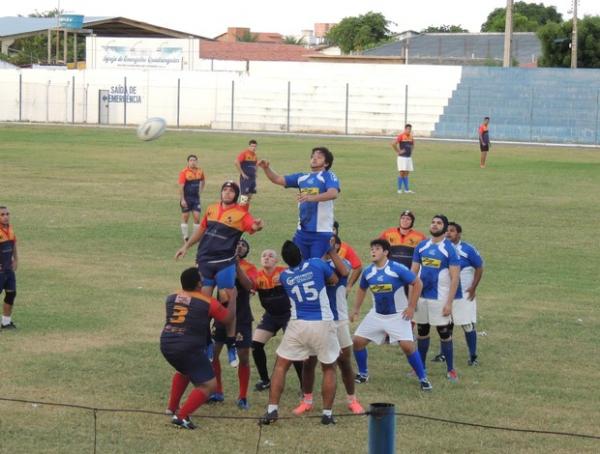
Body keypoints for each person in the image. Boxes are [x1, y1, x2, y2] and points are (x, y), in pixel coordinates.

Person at [175, 181, 263, 368]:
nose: (227, 192)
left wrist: (257, 226)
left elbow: (252, 227)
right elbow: (201, 230)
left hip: (224, 264)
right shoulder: (211, 209)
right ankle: (207, 342)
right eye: (225, 189)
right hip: (205, 263)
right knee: (203, 306)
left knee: (226, 304)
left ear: (236, 195)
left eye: (231, 191)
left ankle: (231, 344)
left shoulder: (242, 214)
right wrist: (186, 246)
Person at [260, 241, 340, 426]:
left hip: (298, 324)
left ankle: (272, 409)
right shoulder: (317, 264)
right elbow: (334, 280)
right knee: (328, 367)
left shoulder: (284, 276)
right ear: (301, 254)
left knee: (281, 366)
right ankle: (327, 414)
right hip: (322, 322)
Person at [294, 236, 365, 416]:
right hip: (315, 319)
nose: (326, 243)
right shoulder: (309, 265)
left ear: (338, 245)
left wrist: (331, 251)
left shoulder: (342, 263)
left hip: (338, 320)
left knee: (344, 362)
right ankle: (307, 400)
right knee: (309, 362)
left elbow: (345, 272)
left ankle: (352, 400)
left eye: (332, 241)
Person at [350, 239, 432, 391]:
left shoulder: (397, 268)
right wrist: (356, 309)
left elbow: (417, 283)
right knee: (357, 342)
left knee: (407, 346)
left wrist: (411, 307)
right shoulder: (368, 271)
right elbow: (362, 289)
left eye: (377, 248)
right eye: (372, 249)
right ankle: (363, 374)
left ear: (386, 252)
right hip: (376, 315)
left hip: (398, 316)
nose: (373, 251)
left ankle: (423, 378)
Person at [160, 267, 236, 430]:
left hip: (167, 343)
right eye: (201, 279)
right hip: (188, 347)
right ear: (198, 284)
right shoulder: (207, 301)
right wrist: (232, 299)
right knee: (208, 385)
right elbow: (228, 319)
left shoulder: (171, 297)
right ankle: (181, 417)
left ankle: (172, 407)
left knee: (184, 370)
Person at [258, 147, 339, 259]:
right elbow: (277, 179)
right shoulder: (302, 177)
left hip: (321, 233)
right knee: (299, 266)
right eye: (312, 157)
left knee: (314, 267)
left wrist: (310, 197)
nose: (314, 159)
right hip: (302, 233)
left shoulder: (328, 176)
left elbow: (333, 193)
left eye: (319, 157)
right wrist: (266, 168)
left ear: (326, 163)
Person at [411, 215, 461, 382]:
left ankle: (451, 369)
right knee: (422, 332)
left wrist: (449, 303)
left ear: (445, 229)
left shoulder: (449, 249)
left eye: (438, 223)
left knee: (444, 332)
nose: (434, 225)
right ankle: (420, 368)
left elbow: (455, 278)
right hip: (421, 298)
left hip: (439, 299)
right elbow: (413, 273)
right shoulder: (421, 246)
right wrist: (412, 299)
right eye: (432, 222)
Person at [210, 239, 257, 409]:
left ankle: (242, 396)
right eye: (237, 243)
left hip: (242, 317)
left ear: (246, 250)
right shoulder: (220, 263)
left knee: (243, 357)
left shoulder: (250, 267)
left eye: (244, 244)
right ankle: (218, 392)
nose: (239, 246)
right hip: (221, 315)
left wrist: (236, 265)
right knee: (214, 353)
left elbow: (249, 285)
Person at [251, 249, 304, 392]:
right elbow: (250, 290)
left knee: (294, 348)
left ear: (277, 261)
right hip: (271, 316)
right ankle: (264, 380)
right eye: (264, 255)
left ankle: (304, 385)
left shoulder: (285, 273)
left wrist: (285, 282)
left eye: (270, 256)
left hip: (289, 315)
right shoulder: (257, 276)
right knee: (255, 344)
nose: (266, 258)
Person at [445, 222, 484, 366]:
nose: (448, 233)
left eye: (452, 231)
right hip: (445, 294)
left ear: (459, 234)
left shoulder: (467, 249)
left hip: (464, 294)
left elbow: (479, 267)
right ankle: (444, 354)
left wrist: (473, 288)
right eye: (447, 231)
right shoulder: (441, 249)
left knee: (467, 325)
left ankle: (473, 356)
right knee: (445, 325)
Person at [178, 154, 205, 242]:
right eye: (191, 160)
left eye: (194, 160)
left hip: (196, 198)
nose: (193, 162)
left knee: (197, 218)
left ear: (197, 162)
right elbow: (181, 187)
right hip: (186, 198)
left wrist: (200, 191)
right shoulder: (184, 172)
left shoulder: (200, 171)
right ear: (188, 162)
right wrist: (182, 199)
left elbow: (203, 181)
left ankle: (195, 237)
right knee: (185, 217)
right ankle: (185, 237)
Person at [333, 221, 363, 294]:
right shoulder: (317, 247)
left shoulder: (344, 247)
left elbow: (358, 267)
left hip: (339, 290)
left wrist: (349, 286)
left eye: (333, 229)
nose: (331, 232)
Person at [0, 206, 18, 329]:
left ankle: (6, 322)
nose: (6, 216)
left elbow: (14, 244)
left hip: (9, 269)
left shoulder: (10, 229)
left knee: (11, 294)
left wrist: (16, 259)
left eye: (7, 214)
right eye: (2, 214)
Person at [391, 124, 415, 194]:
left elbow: (413, 144)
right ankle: (399, 189)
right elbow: (393, 144)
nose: (409, 130)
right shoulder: (401, 136)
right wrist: (398, 151)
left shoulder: (411, 137)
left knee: (407, 173)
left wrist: (411, 151)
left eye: (410, 129)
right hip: (402, 158)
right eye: (408, 129)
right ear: (405, 129)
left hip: (408, 158)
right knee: (402, 173)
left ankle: (407, 190)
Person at [234, 139, 258, 207]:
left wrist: (255, 172)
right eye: (252, 146)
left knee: (250, 196)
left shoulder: (255, 155)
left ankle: (245, 212)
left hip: (252, 179)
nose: (253, 148)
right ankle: (240, 212)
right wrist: (242, 173)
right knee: (244, 197)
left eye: (255, 146)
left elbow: (255, 164)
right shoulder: (244, 153)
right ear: (249, 146)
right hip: (246, 178)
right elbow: (236, 162)